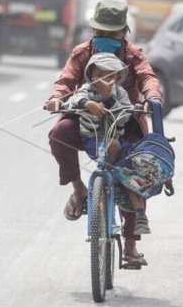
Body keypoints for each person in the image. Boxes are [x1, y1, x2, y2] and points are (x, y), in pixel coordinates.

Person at [44, 0, 162, 266]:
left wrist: (151, 98)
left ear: (124, 33)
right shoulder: (82, 53)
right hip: (85, 118)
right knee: (58, 132)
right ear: (93, 30)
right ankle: (78, 190)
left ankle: (130, 247)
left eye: (113, 33)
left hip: (124, 120)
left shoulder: (133, 56)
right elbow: (66, 81)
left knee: (135, 173)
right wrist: (56, 98)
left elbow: (148, 78)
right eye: (102, 32)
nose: (107, 38)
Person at [65, 52, 151, 235]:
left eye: (111, 76)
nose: (106, 80)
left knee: (132, 168)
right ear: (91, 75)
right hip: (93, 140)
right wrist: (88, 104)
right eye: (100, 75)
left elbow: (125, 117)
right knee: (112, 146)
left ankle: (140, 214)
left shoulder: (120, 93)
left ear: (118, 78)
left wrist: (108, 98)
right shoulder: (87, 89)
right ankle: (105, 182)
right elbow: (75, 99)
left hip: (117, 140)